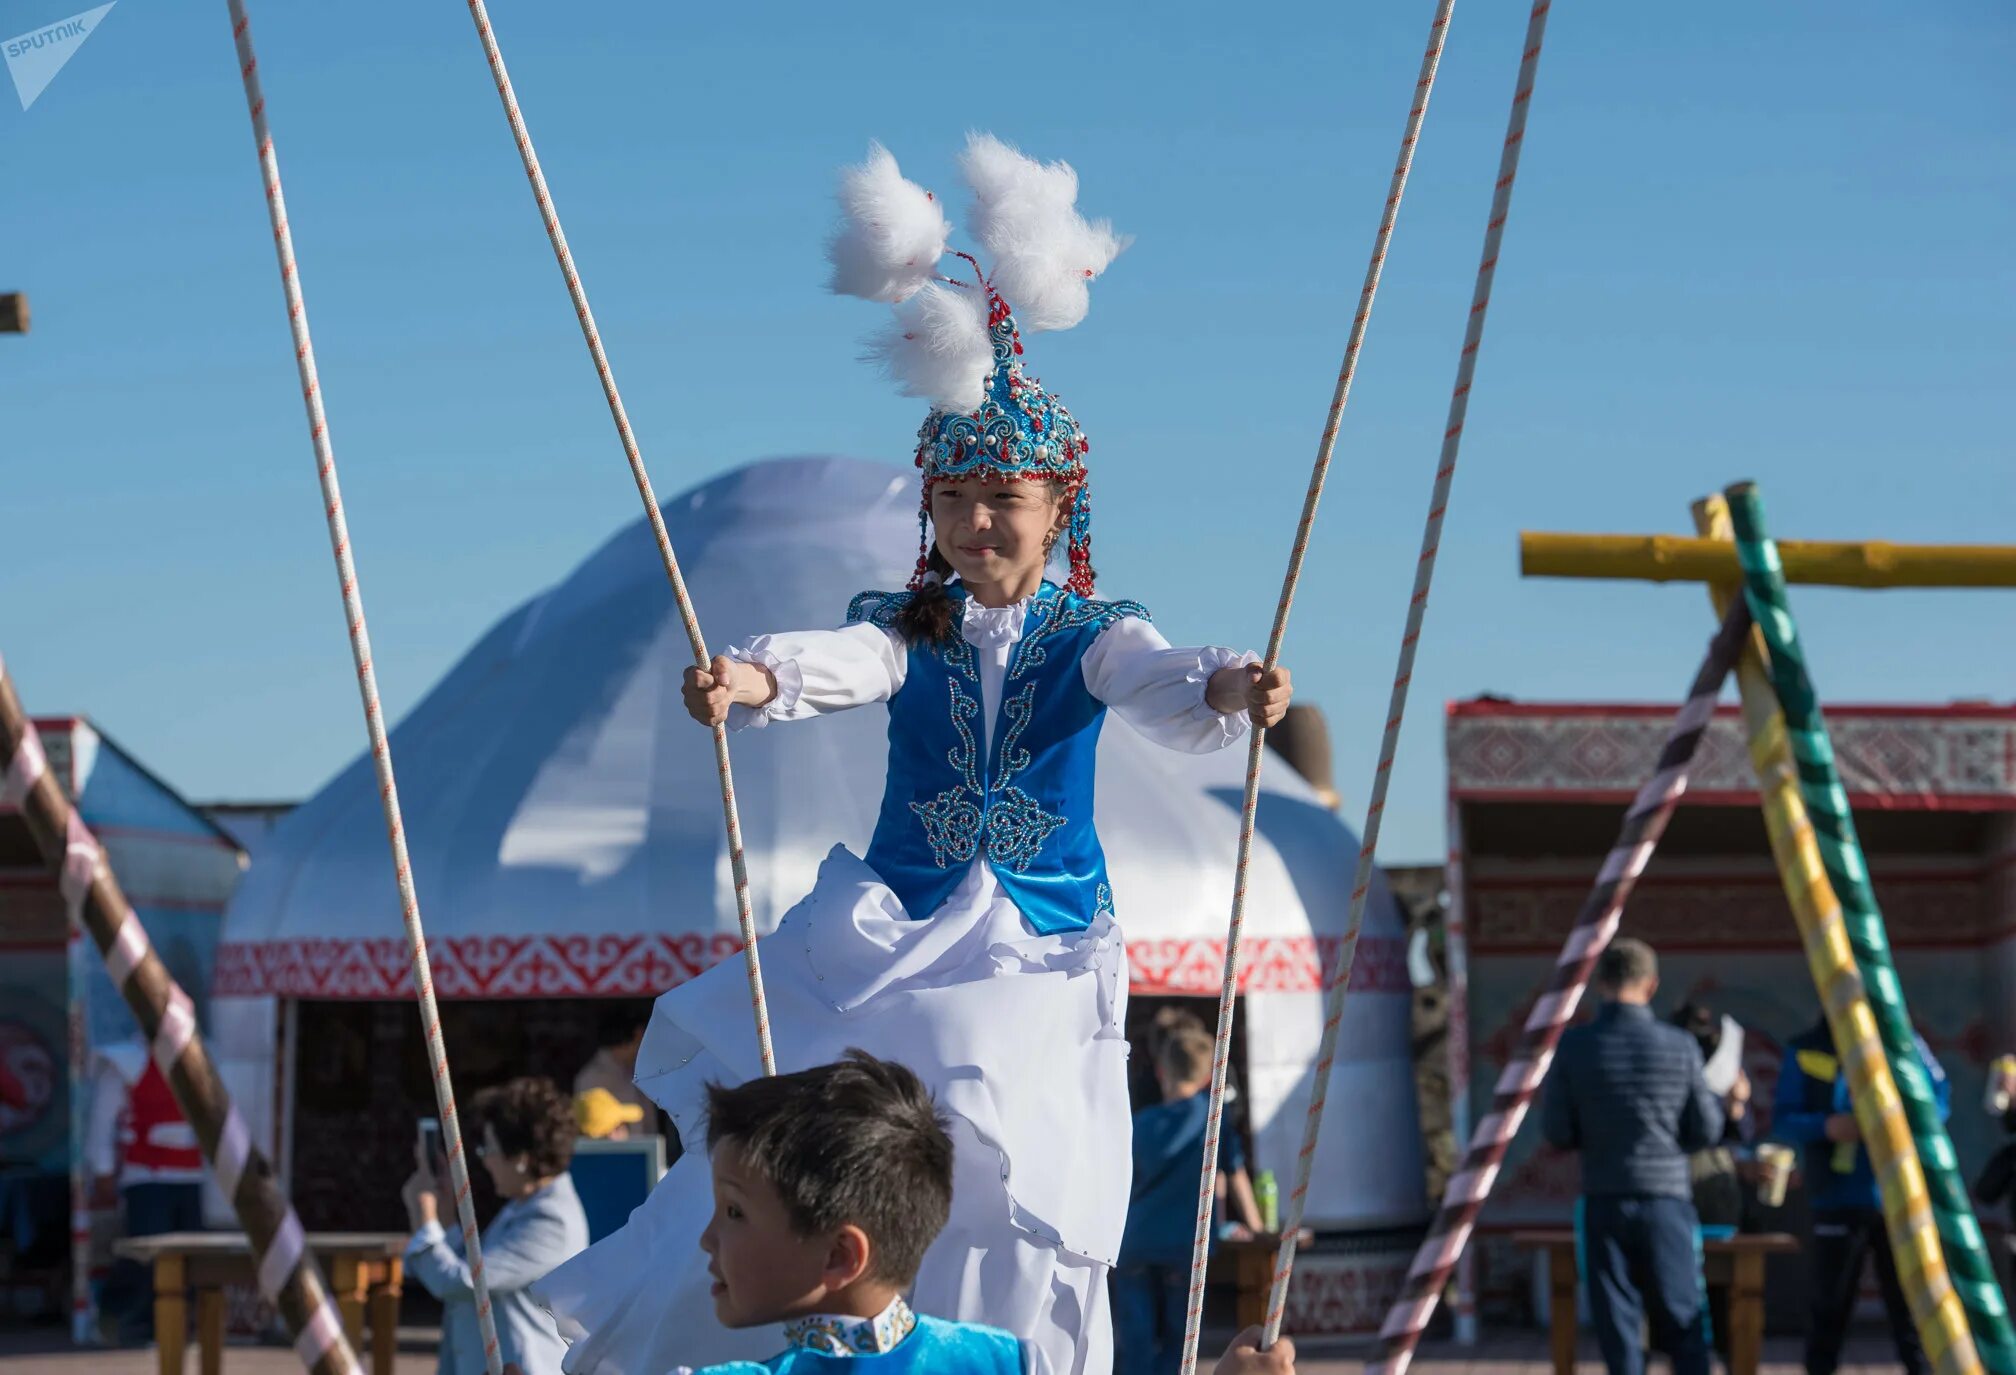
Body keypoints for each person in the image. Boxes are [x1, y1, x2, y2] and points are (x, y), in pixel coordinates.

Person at [534, 135, 1292, 1375]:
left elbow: (1160, 680)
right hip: (892, 918)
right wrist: (754, 675)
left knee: (1011, 1161)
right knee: (809, 1129)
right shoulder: (908, 628)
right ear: (929, 514)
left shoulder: (1089, 635)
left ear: (1058, 510)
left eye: (1006, 499)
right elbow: (840, 666)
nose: (979, 522)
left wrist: (1228, 682)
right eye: (956, 501)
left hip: (1035, 935)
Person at [1541, 939, 1722, 1375]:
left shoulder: (1575, 1047)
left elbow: (1557, 1132)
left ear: (1600, 982)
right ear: (1652, 985)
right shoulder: (1680, 1047)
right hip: (1667, 1202)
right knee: (1683, 1318)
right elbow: (1707, 1130)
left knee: (1618, 1326)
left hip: (1604, 1197)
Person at [1772, 1015, 1949, 1375]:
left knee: (1912, 1311)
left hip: (1901, 1197)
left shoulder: (1903, 1040)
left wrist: (1901, 1120)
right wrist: (1827, 1126)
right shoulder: (1807, 1048)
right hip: (1835, 1197)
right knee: (1829, 1308)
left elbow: (1938, 1103)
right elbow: (1784, 1118)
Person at [403, 1077, 590, 1375]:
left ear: (521, 1159)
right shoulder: (523, 1204)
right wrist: (446, 1213)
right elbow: (472, 1266)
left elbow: (463, 1283)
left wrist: (424, 1218)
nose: (485, 1161)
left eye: (488, 1149)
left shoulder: (551, 1220)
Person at [1114, 1021, 1264, 1375]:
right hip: (1186, 1245)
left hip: (1135, 1242)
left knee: (1135, 1343)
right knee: (1181, 1343)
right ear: (1206, 1077)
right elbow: (1236, 1172)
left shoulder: (1140, 1123)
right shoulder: (1212, 1119)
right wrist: (1257, 1227)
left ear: (1161, 1070)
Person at [88, 1038, 206, 1343]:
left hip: (191, 1177)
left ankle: (175, 1326)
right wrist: (102, 1171)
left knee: (191, 1257)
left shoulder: (199, 1058)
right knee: (146, 1256)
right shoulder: (127, 1062)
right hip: (147, 1176)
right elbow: (102, 1120)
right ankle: (118, 1320)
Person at [573, 1005, 653, 1139]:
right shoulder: (592, 1077)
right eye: (642, 1039)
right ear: (628, 1040)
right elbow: (590, 1128)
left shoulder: (637, 1072)